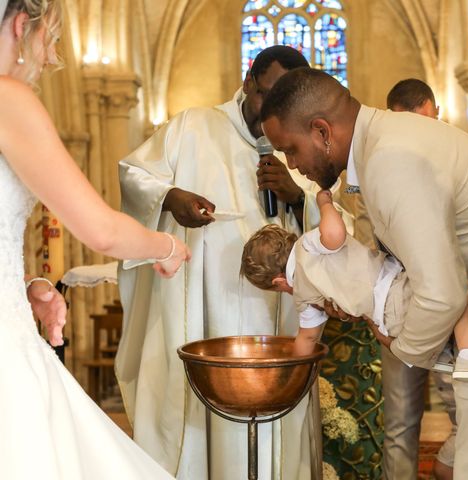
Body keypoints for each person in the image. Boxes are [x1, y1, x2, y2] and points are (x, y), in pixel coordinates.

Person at [259, 67, 468, 479]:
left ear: (321, 130)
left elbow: (442, 294)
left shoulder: (391, 156)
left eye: (291, 150)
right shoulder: (385, 140)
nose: (293, 165)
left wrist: (399, 345)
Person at [116, 46, 328, 480]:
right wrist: (171, 198)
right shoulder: (193, 125)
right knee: (195, 413)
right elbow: (133, 174)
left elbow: (336, 227)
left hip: (277, 316)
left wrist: (296, 197)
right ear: (249, 80)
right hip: (201, 308)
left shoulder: (300, 145)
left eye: (284, 104)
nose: (272, 112)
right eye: (265, 96)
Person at [0, 0, 191, 478]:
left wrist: (23, 287)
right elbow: (101, 229)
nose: (49, 58)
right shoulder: (8, 99)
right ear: (22, 26)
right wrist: (167, 248)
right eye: (51, 40)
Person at [241, 189, 468, 383]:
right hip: (394, 293)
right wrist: (324, 204)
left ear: (278, 282)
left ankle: (440, 353)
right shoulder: (306, 246)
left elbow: (307, 339)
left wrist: (291, 372)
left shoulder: (304, 298)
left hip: (386, 321)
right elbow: (335, 234)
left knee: (444, 316)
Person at [386, 77, 456, 480]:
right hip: (400, 310)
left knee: (466, 418)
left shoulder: (459, 158)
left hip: (455, 308)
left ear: (438, 115)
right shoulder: (378, 168)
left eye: (425, 124)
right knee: (400, 424)